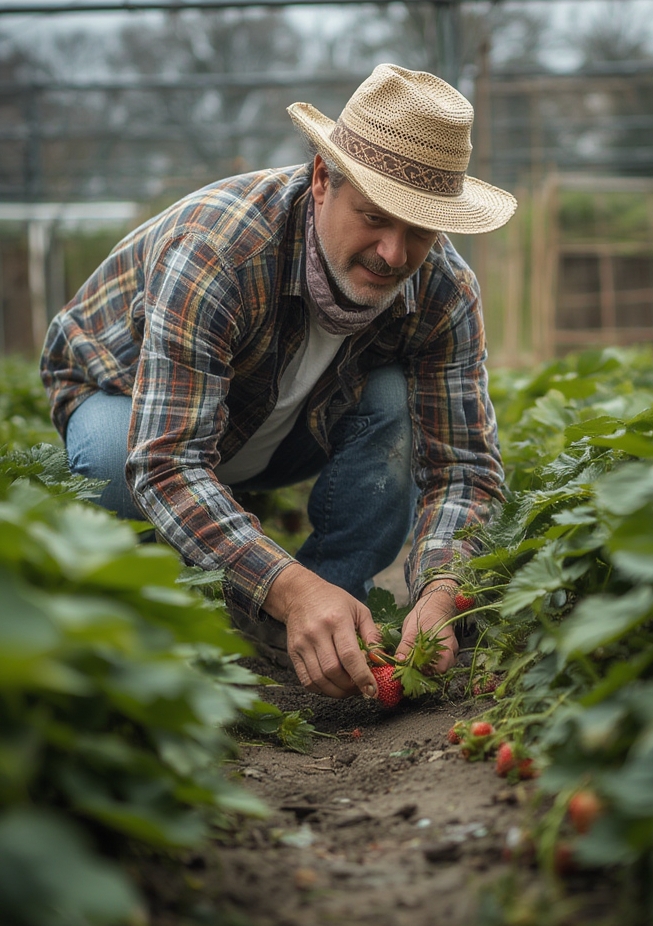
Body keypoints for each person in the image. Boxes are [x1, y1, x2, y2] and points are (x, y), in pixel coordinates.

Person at [40, 63, 517, 701]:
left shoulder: (444, 291)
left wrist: (441, 588)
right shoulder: (219, 251)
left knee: (392, 404)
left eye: (420, 230)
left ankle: (336, 611)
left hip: (285, 425)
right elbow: (165, 463)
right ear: (323, 179)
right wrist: (286, 588)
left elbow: (464, 468)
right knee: (110, 462)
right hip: (132, 408)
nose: (393, 254)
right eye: (374, 217)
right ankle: (162, 624)